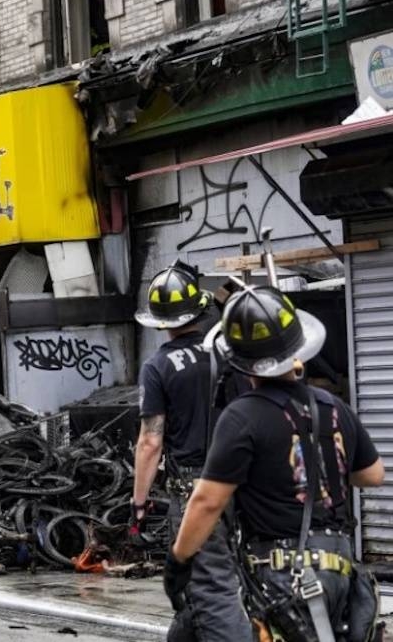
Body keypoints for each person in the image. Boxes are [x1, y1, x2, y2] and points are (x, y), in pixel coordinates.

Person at [166, 286, 384, 640]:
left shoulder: (241, 417)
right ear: (299, 347)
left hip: (283, 577)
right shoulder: (331, 407)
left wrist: (179, 561)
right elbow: (372, 475)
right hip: (341, 574)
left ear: (235, 359)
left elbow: (207, 502)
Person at [132, 260, 250, 641]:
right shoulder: (230, 353)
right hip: (247, 485)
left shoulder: (158, 366)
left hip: (197, 491)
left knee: (207, 587)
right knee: (244, 576)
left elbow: (151, 441)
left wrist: (139, 502)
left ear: (160, 322)